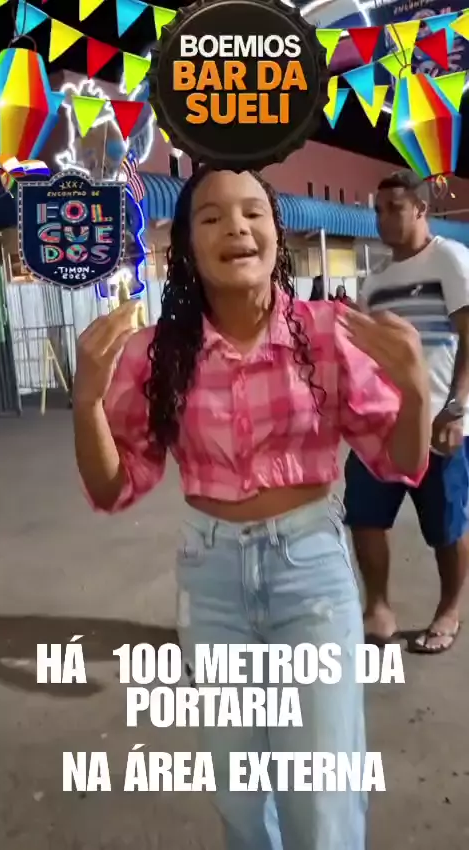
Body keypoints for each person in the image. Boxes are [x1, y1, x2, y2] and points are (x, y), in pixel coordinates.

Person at [73, 167, 430, 850]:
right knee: (239, 798)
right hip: (211, 582)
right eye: (211, 217)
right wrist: (87, 402)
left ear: (276, 233)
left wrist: (414, 393)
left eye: (252, 213)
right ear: (187, 244)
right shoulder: (157, 355)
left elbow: (397, 460)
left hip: (311, 573)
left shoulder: (329, 335)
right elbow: (114, 486)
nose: (235, 227)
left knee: (321, 798)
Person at [344, 169, 469, 654]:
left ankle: (449, 610)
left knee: (446, 528)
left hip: (440, 421)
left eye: (394, 208)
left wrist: (457, 408)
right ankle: (378, 608)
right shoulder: (376, 280)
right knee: (365, 516)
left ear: (421, 208)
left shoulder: (449, 260)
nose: (382, 218)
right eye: (377, 210)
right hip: (380, 427)